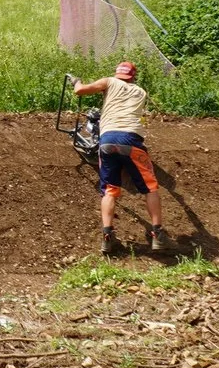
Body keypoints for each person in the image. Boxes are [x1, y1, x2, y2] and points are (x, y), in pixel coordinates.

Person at [69, 61, 173, 257]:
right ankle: (157, 234)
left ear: (117, 74)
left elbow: (80, 91)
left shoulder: (109, 82)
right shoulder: (141, 92)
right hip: (131, 141)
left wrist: (77, 81)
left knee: (110, 190)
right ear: (134, 76)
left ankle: (107, 236)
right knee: (150, 188)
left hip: (107, 141)